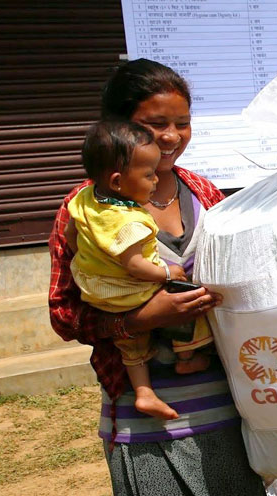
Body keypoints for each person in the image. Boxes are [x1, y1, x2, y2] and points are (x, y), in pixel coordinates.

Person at [48, 59, 277, 496]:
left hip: (222, 384)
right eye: (157, 125)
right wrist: (142, 317)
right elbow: (64, 311)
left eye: (182, 122)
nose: (174, 137)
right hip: (140, 392)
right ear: (122, 128)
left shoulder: (206, 194)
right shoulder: (87, 210)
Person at [69, 120, 212, 421]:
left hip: (97, 289)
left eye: (183, 122)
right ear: (119, 181)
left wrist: (92, 259)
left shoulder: (85, 200)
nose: (155, 181)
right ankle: (187, 356)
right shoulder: (133, 220)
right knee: (188, 303)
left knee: (131, 347)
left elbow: (71, 237)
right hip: (130, 292)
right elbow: (134, 265)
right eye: (148, 175)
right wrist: (167, 273)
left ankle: (144, 392)